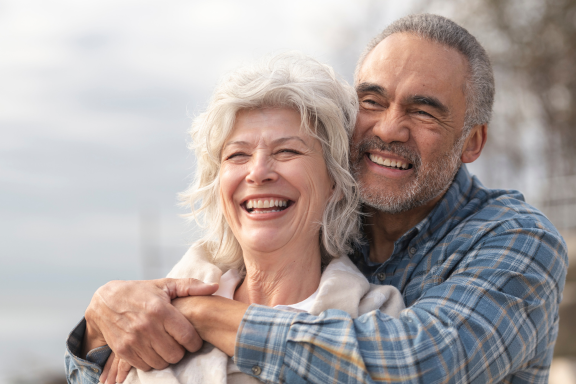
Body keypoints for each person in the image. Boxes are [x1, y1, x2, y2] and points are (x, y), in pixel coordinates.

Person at [67, 13, 568, 384]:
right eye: (372, 101)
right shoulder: (315, 220)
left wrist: (202, 316)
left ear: (473, 143)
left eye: (424, 111)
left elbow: (423, 364)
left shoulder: (516, 239)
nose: (389, 128)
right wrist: (100, 318)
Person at [65, 53, 406, 384]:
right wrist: (95, 328)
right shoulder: (148, 320)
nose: (258, 172)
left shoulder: (378, 320)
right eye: (238, 155)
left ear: (336, 181)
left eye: (286, 151)